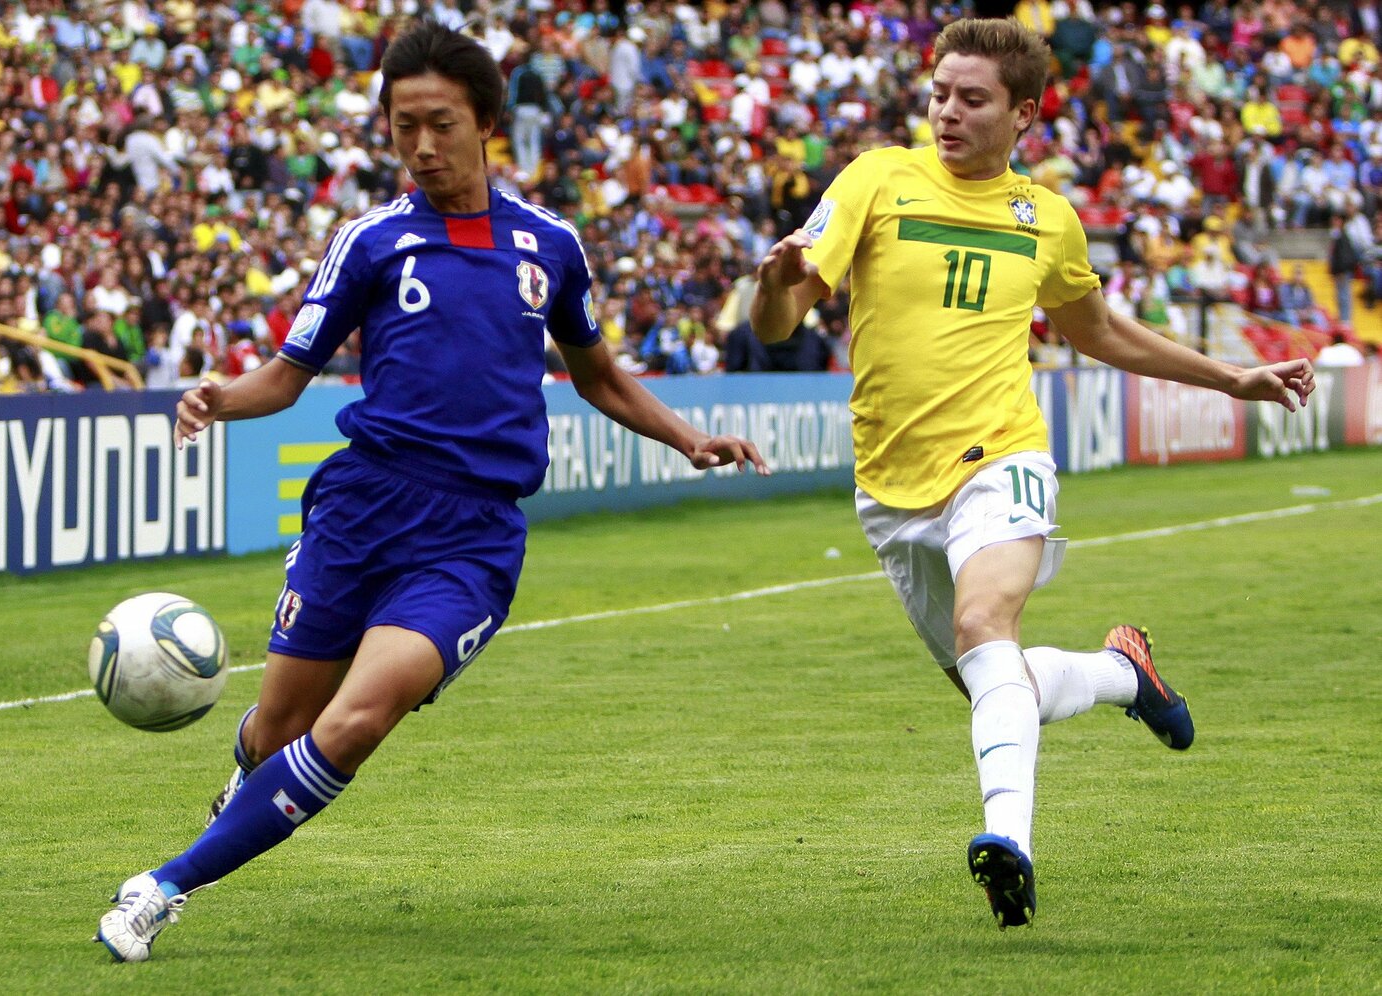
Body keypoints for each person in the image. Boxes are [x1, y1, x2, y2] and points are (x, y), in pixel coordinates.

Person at [95, 20, 768, 963]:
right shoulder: (370, 241)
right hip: (362, 508)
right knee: (283, 727)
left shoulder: (549, 245)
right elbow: (287, 376)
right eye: (403, 124)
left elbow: (600, 375)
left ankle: (162, 886)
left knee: (357, 720)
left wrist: (690, 437)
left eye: (441, 123)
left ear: (486, 121)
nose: (421, 145)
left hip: (472, 540)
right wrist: (220, 396)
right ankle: (248, 780)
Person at [748, 17, 1313, 931]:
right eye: (939, 93)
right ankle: (1124, 676)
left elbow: (1100, 332)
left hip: (1002, 455)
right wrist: (776, 283)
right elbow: (779, 320)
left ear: (1025, 115)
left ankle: (1007, 841)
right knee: (990, 677)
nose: (948, 113)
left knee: (985, 623)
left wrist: (1230, 376)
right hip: (892, 490)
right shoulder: (877, 180)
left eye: (972, 99)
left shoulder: (1045, 217)